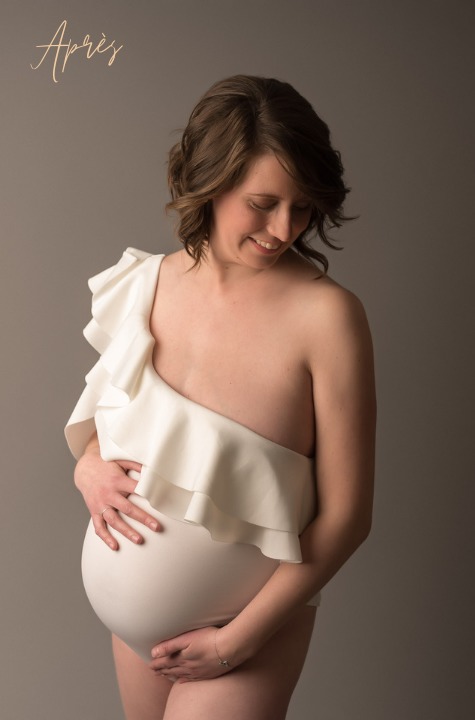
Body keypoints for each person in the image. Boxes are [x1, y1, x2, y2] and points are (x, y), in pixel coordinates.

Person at [65, 75, 376, 720]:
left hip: (245, 631)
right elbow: (115, 418)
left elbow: (347, 517)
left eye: (302, 206)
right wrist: (87, 466)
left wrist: (237, 641)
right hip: (133, 635)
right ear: (209, 182)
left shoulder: (328, 318)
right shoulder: (146, 283)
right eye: (263, 202)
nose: (284, 227)